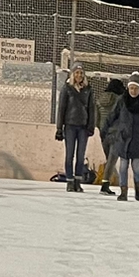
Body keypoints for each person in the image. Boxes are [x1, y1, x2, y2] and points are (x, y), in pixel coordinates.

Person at [109, 70, 139, 202]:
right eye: (131, 88)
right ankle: (123, 191)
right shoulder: (122, 101)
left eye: (136, 88)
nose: (133, 91)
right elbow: (112, 116)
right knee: (123, 166)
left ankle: (137, 187)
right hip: (123, 139)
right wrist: (107, 131)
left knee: (136, 167)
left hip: (138, 139)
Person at [54, 62, 95, 191]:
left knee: (80, 155)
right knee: (69, 154)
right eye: (76, 73)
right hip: (70, 126)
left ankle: (78, 181)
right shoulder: (67, 88)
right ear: (72, 74)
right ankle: (70, 181)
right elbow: (61, 108)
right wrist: (59, 128)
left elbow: (92, 109)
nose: (79, 75)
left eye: (81, 73)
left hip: (83, 126)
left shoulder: (88, 89)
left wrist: (91, 126)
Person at [94, 76, 125, 194]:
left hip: (104, 133)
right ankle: (105, 186)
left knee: (109, 160)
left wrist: (100, 129)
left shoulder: (99, 99)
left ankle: (108, 183)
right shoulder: (120, 100)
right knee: (112, 161)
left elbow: (96, 118)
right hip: (116, 133)